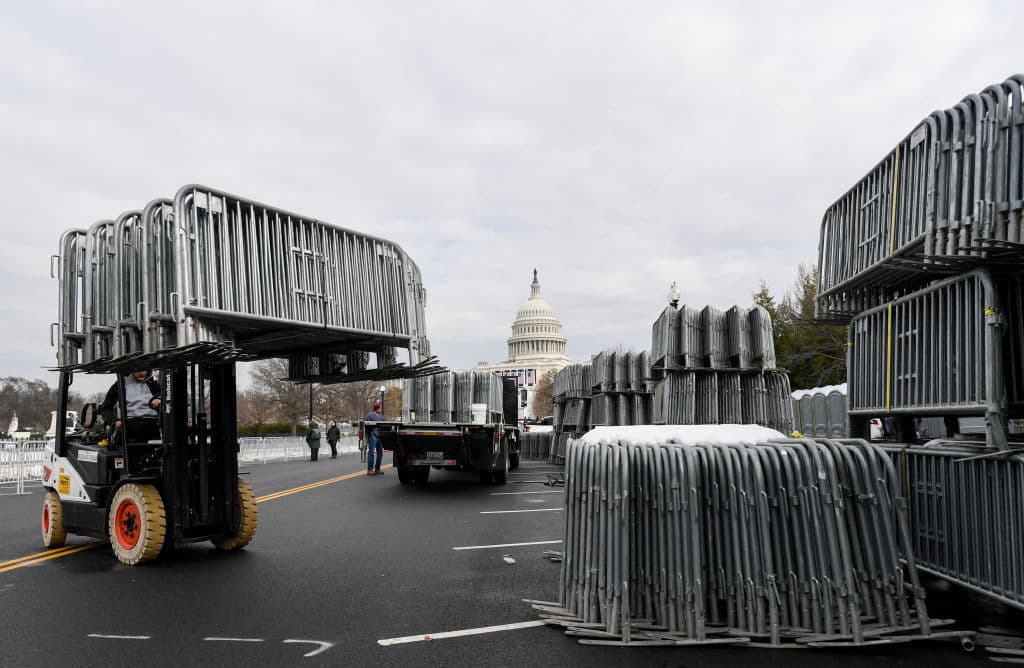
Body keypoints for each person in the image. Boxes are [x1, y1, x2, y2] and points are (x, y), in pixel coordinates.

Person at [99, 370, 162, 447]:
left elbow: (166, 401)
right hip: (132, 423)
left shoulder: (154, 384)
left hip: (154, 423)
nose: (142, 372)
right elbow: (105, 409)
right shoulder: (120, 384)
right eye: (139, 369)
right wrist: (114, 421)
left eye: (144, 369)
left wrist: (160, 400)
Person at [364, 403, 385, 475]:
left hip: (380, 436)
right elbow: (366, 424)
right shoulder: (370, 415)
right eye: (379, 408)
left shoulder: (382, 416)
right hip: (373, 435)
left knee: (380, 453)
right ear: (376, 409)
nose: (380, 409)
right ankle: (370, 470)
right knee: (371, 452)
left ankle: (377, 469)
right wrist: (368, 435)